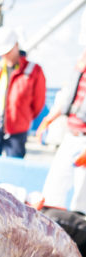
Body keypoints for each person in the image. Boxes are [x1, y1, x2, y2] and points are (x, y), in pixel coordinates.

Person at [37, 48, 86, 215]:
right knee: (52, 190)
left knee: (81, 199)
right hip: (71, 134)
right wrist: (49, 119)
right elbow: (69, 95)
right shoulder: (82, 59)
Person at [0, 26, 46, 158]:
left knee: (13, 167)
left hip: (17, 132)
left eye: (7, 50)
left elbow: (38, 103)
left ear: (16, 45)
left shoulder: (34, 71)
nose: (5, 55)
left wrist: (23, 118)